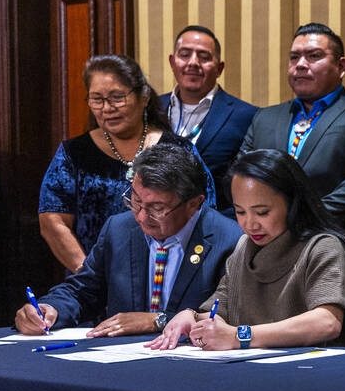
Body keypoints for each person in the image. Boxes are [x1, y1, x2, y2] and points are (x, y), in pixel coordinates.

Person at [149, 149, 345, 351]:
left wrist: (238, 337)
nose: (250, 224)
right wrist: (192, 317)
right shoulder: (245, 246)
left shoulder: (323, 247)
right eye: (240, 212)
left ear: (293, 204)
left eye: (262, 212)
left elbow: (327, 322)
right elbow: (217, 309)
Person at [17, 143, 241, 335]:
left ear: (194, 204)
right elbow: (84, 291)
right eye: (135, 201)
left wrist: (157, 320)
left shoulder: (230, 241)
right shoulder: (119, 229)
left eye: (157, 208)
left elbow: (227, 317)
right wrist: (49, 308)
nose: (142, 217)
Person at [39, 55, 216, 273]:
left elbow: (205, 212)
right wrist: (89, 275)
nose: (107, 108)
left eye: (116, 97)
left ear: (144, 97)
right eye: (97, 99)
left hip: (168, 275)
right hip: (93, 281)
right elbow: (52, 221)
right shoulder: (73, 153)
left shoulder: (179, 149)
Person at [241, 22, 345, 256]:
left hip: (334, 247)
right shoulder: (265, 117)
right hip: (265, 250)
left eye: (313, 56)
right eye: (294, 58)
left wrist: (298, 217)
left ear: (340, 66)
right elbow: (242, 174)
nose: (301, 65)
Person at [160, 25, 258, 212]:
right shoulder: (151, 109)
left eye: (204, 57)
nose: (193, 63)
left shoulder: (246, 116)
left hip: (217, 226)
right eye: (185, 54)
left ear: (219, 68)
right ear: (172, 62)